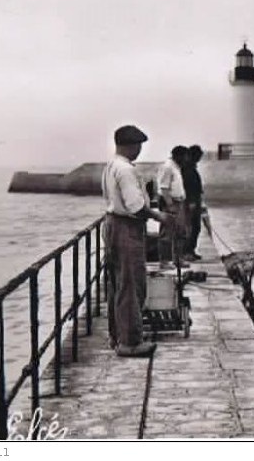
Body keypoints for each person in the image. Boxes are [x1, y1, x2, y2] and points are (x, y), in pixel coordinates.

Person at [101, 125, 170, 358]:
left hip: (111, 224)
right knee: (132, 284)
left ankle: (116, 336)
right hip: (126, 228)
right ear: (131, 145)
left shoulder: (111, 166)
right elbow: (136, 206)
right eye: (139, 146)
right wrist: (157, 215)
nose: (140, 151)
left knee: (117, 284)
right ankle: (130, 342)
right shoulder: (127, 170)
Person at [156, 145, 190, 265]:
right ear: (178, 156)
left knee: (181, 231)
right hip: (170, 202)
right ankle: (164, 261)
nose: (187, 159)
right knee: (167, 233)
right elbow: (164, 188)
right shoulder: (167, 167)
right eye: (185, 157)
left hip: (179, 201)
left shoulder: (176, 167)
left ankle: (178, 259)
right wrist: (170, 205)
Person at [181, 145, 205, 261]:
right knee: (190, 228)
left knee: (196, 227)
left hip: (195, 200)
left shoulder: (191, 168)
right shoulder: (187, 169)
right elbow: (188, 187)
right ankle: (187, 252)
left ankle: (191, 250)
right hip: (191, 202)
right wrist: (191, 202)